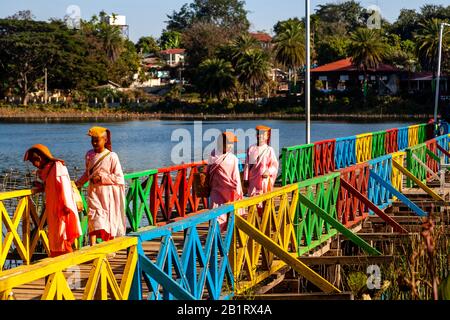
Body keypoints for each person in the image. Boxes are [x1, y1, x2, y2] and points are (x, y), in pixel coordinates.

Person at [24, 144, 82, 257]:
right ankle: (58, 260)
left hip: (62, 208)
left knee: (63, 234)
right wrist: (42, 186)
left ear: (39, 159)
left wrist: (66, 206)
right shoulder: (48, 169)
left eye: (33, 162)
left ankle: (67, 262)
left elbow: (64, 186)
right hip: (53, 208)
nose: (33, 166)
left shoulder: (57, 167)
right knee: (56, 235)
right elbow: (52, 186)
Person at [75, 126, 126, 246]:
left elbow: (119, 178)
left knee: (107, 219)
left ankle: (108, 245)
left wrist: (102, 178)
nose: (94, 143)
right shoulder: (89, 154)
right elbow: (88, 173)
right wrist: (78, 183)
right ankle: (93, 246)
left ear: (105, 140)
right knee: (93, 216)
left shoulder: (112, 156)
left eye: (97, 140)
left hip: (107, 194)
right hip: (93, 192)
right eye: (92, 140)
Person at [207, 131, 243, 231]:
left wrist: (238, 191)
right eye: (228, 143)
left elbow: (236, 177)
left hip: (227, 191)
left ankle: (220, 240)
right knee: (216, 216)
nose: (230, 146)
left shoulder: (232, 158)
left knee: (221, 216)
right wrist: (239, 192)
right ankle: (215, 240)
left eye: (231, 144)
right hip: (219, 191)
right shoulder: (214, 155)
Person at [243, 125, 279, 198]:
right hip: (252, 180)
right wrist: (245, 178)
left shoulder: (269, 150)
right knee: (252, 201)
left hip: (263, 180)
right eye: (258, 133)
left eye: (263, 134)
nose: (260, 136)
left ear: (267, 136)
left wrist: (268, 171)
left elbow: (275, 165)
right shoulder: (251, 149)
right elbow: (247, 165)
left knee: (264, 201)